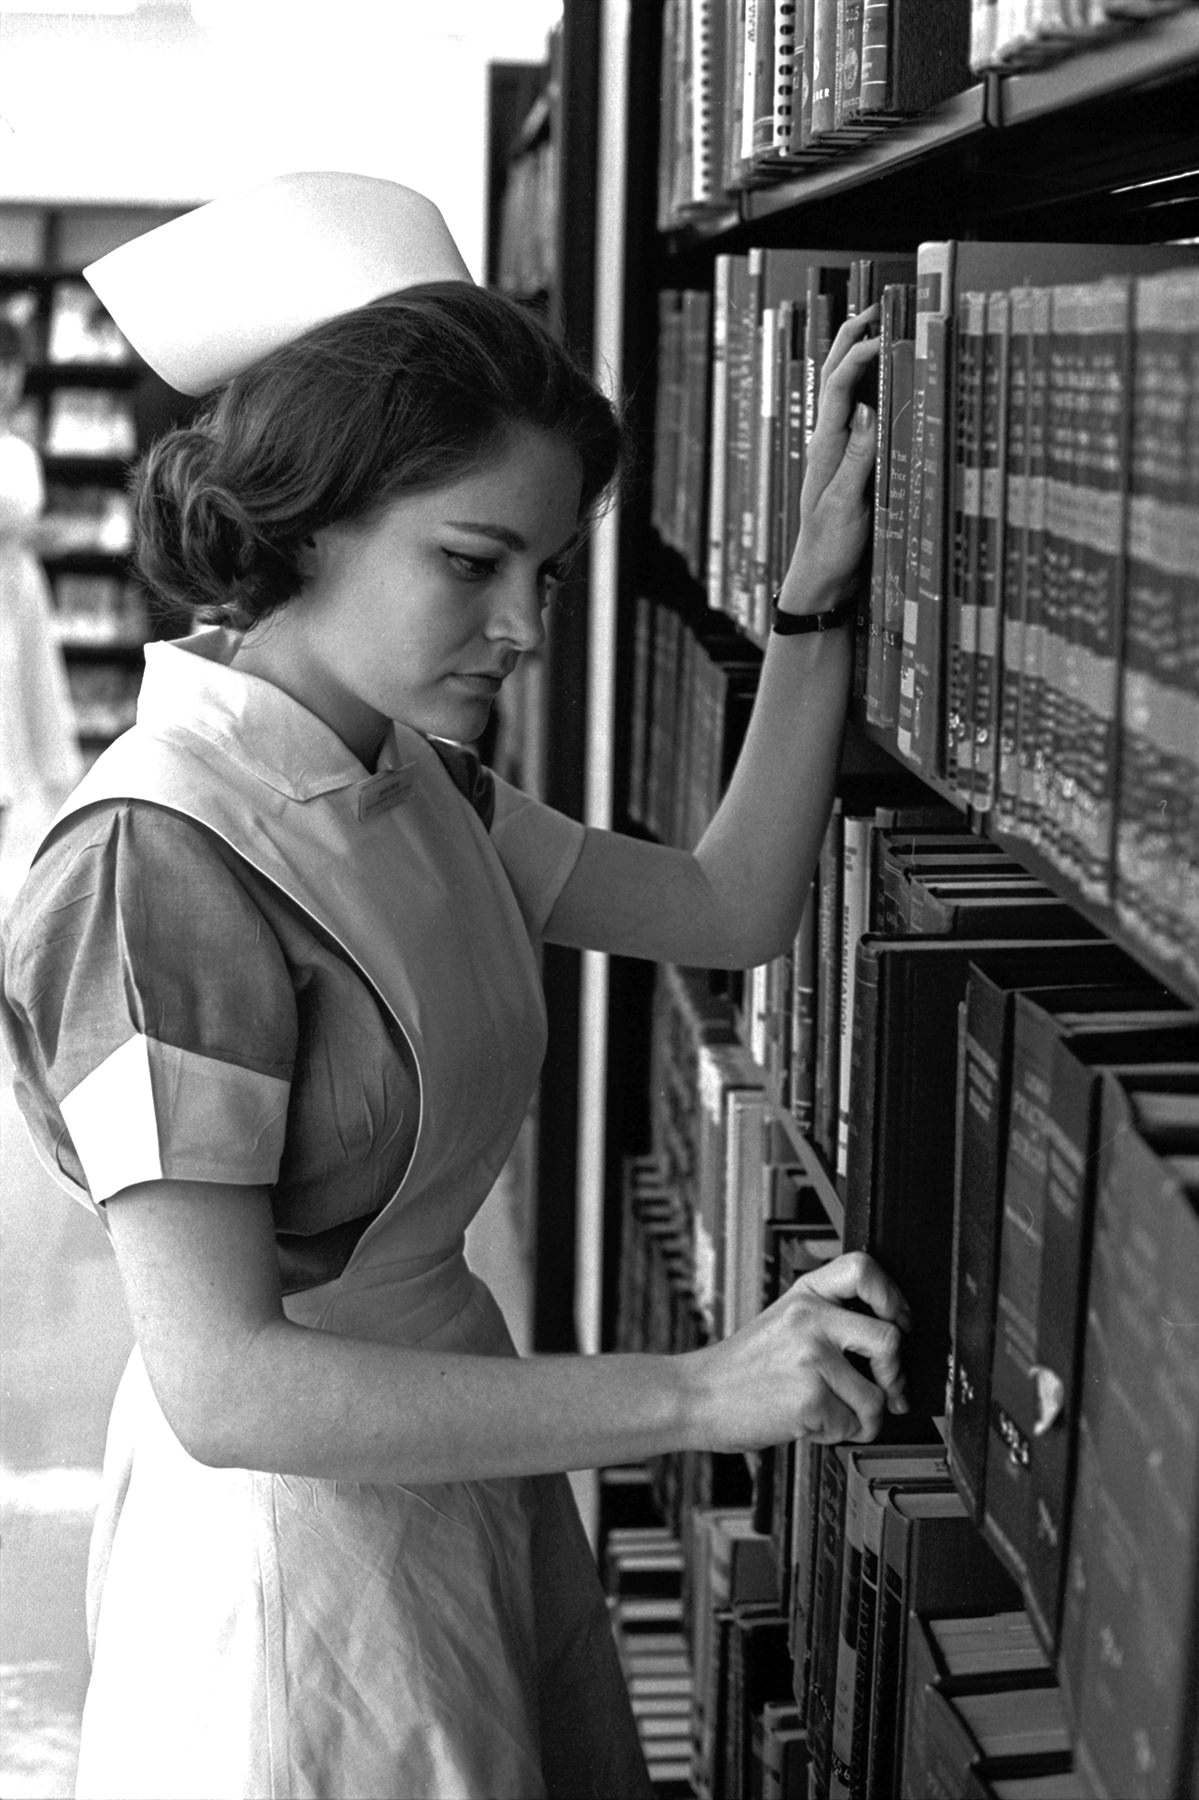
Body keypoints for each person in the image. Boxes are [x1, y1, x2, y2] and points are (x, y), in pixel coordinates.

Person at [0, 172, 909, 1800]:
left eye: (546, 574)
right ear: (302, 515)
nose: (522, 629)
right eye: (473, 561)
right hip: (293, 1566)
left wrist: (812, 598)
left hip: (464, 1446)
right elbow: (226, 1385)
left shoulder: (424, 785)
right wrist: (698, 1392)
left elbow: (730, 903)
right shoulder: (155, 868)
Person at [0, 316, 84, 893]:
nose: (9, 382)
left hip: (17, 595)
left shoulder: (15, 445)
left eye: (14, 370)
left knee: (25, 711)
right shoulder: (12, 451)